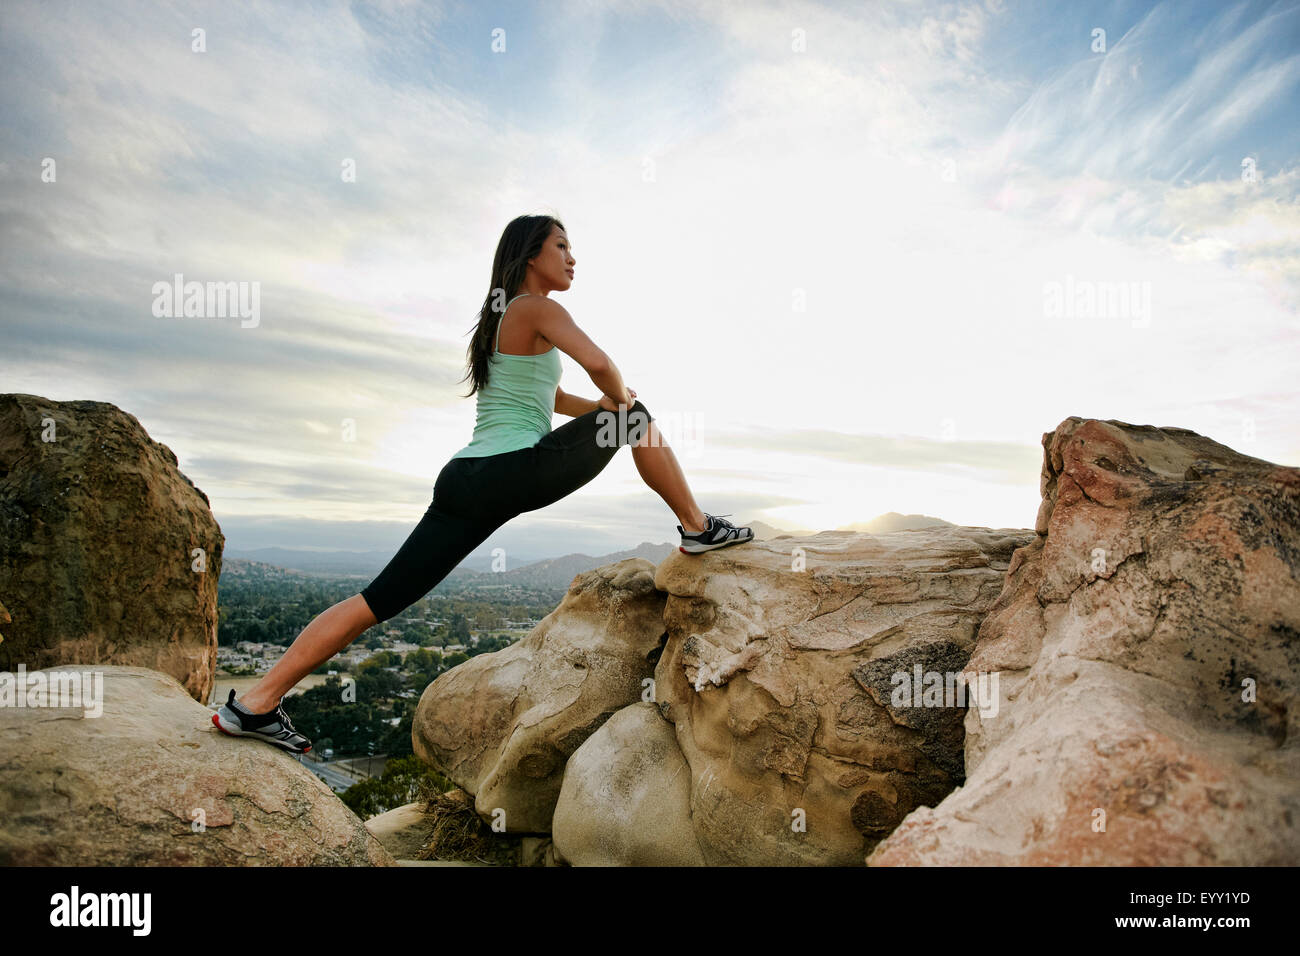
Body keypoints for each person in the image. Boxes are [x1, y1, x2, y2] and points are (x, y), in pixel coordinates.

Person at [212, 214, 752, 753]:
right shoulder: (537, 307)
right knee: (640, 417)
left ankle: (254, 705)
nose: (571, 258)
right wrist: (624, 400)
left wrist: (603, 408)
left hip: (465, 481)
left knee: (375, 600)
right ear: (530, 255)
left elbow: (553, 400)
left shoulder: (499, 320)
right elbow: (600, 362)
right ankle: (698, 528)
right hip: (511, 469)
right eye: (560, 246)